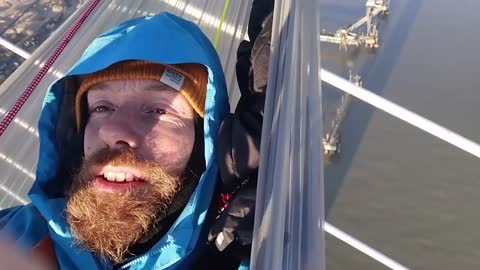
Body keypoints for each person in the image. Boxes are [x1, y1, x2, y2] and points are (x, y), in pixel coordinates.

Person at [0, 2, 273, 269]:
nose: (114, 130)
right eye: (102, 107)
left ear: (204, 145)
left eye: (158, 110)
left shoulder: (258, 254)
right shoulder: (11, 236)